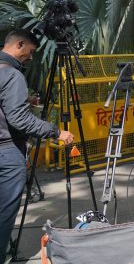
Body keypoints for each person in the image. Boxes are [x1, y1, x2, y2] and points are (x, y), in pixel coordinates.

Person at [0, 29, 74, 262]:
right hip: (7, 152)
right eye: (30, 52)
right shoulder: (12, 75)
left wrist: (23, 101)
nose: (31, 58)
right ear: (19, 45)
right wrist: (56, 131)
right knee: (4, 216)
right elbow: (19, 119)